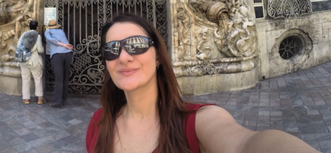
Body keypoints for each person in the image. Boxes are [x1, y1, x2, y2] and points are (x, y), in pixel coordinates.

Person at [86, 13, 319, 153]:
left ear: (158, 56)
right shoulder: (98, 124)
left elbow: (244, 144)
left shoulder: (198, 123)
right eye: (112, 49)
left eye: (136, 44)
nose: (124, 57)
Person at [44, 19, 73, 108]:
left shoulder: (47, 32)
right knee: (65, 78)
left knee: (59, 79)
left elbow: (52, 40)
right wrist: (65, 46)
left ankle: (58, 102)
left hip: (57, 55)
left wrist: (63, 45)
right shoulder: (61, 31)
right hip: (67, 54)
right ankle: (63, 99)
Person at [17, 20, 45, 105]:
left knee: (25, 79)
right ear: (37, 27)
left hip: (24, 59)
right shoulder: (38, 36)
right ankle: (40, 98)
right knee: (38, 79)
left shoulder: (23, 35)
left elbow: (18, 46)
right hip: (34, 60)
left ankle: (26, 98)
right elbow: (40, 49)